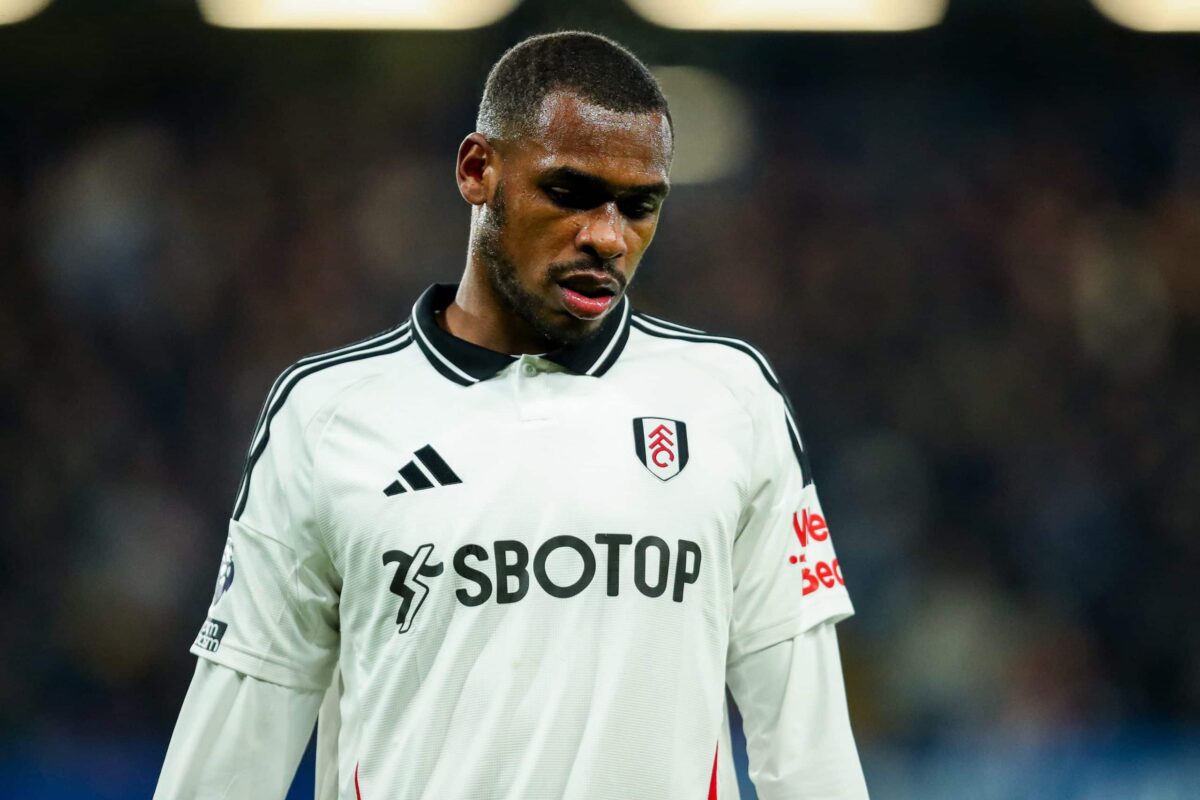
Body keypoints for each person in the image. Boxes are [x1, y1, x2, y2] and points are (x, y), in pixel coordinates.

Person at [154, 31, 869, 800]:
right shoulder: (326, 416)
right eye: (569, 192)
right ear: (477, 170)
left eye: (639, 206)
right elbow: (235, 743)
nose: (607, 236)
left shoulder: (731, 398)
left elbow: (809, 748)